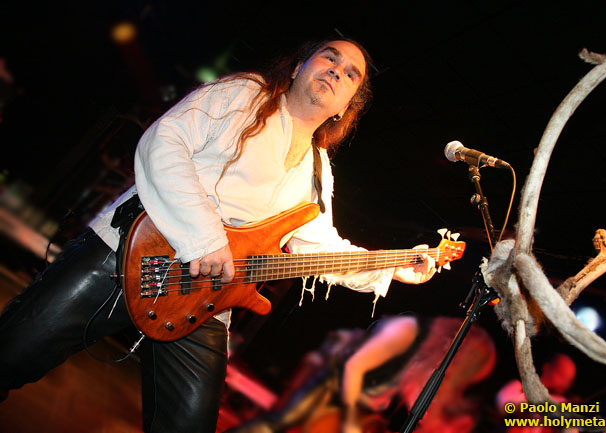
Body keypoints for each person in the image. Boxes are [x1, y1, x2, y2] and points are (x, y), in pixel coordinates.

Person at [0, 38, 439, 433]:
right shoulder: (246, 95)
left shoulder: (319, 171)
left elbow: (319, 247)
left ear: (346, 107)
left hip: (206, 302)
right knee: (11, 355)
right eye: (329, 58)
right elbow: (165, 142)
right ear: (297, 67)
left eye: (350, 74)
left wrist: (392, 266)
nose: (336, 71)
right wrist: (205, 239)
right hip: (129, 252)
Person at [227, 314, 497, 433]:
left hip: (356, 405)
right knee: (278, 423)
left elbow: (408, 397)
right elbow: (354, 368)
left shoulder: (427, 360)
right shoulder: (407, 330)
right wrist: (351, 423)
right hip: (334, 384)